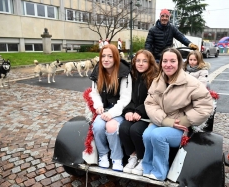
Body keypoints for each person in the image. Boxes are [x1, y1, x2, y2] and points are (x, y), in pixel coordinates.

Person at [142, 47, 213, 181]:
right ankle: (147, 166)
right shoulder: (158, 80)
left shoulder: (191, 82)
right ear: (161, 63)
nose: (168, 64)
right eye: (165, 61)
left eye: (172, 61)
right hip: (162, 121)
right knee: (147, 135)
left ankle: (160, 172)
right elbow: (150, 103)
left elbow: (206, 106)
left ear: (179, 63)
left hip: (181, 127)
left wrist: (184, 121)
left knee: (157, 135)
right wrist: (165, 121)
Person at [89, 44, 132, 172]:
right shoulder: (98, 72)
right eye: (103, 56)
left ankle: (117, 157)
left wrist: (112, 113)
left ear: (116, 58)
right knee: (97, 126)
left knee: (111, 126)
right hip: (105, 109)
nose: (106, 59)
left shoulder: (124, 73)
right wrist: (99, 106)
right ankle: (103, 154)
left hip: (119, 110)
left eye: (110, 56)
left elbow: (125, 98)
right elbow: (95, 93)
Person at [119, 50, 158, 175]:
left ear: (150, 63)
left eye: (144, 61)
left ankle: (143, 159)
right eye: (138, 61)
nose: (140, 64)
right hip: (135, 112)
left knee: (136, 130)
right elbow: (128, 98)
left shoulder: (155, 78)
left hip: (148, 115)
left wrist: (140, 111)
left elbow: (153, 99)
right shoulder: (132, 77)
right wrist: (129, 110)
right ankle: (133, 156)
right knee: (124, 128)